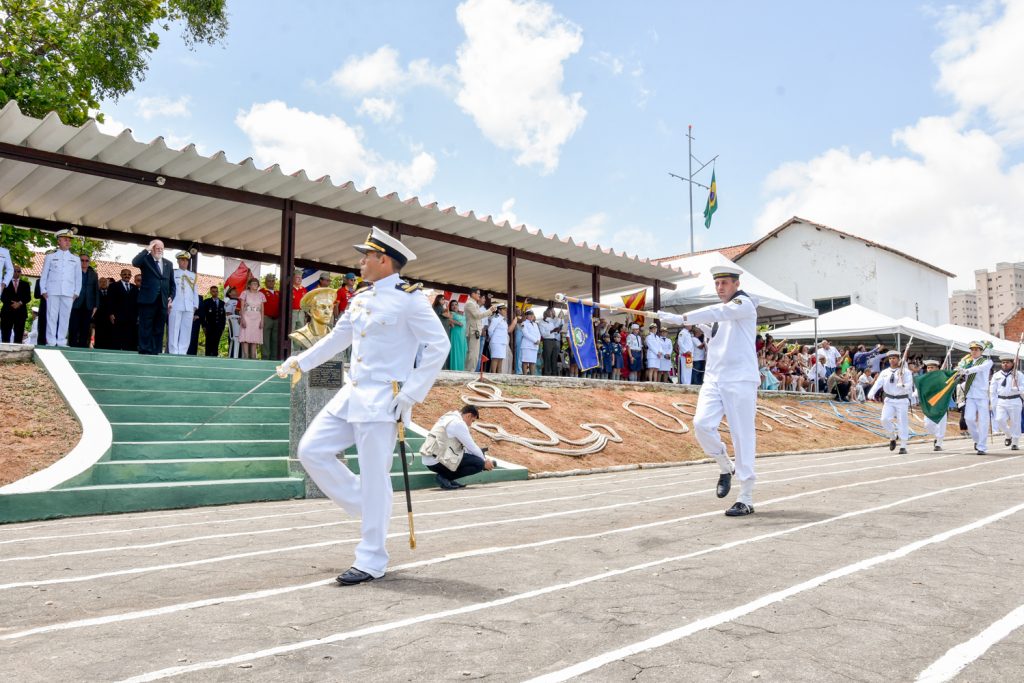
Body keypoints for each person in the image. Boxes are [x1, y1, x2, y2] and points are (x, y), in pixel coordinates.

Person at [276, 226, 449, 586]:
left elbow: (438, 346)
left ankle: (371, 558)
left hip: (385, 399)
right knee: (312, 450)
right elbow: (337, 340)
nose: (360, 262)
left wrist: (411, 394)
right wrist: (299, 362)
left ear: (383, 260)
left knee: (374, 475)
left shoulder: (410, 300)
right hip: (351, 394)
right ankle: (370, 504)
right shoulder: (360, 299)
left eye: (366, 256)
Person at [656, 265, 759, 517]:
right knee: (701, 424)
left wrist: (682, 318)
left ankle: (745, 497)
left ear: (736, 284)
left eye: (725, 282)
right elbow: (713, 327)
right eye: (717, 283)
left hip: (740, 379)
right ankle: (725, 466)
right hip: (715, 379)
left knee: (742, 435)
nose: (720, 287)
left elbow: (719, 313)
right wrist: (691, 325)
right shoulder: (719, 316)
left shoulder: (744, 304)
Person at [421, 405, 495, 489]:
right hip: (437, 460)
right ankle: (445, 477)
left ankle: (446, 478)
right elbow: (471, 447)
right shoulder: (459, 423)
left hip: (429, 459)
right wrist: (484, 461)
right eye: (472, 420)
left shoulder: (448, 417)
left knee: (472, 458)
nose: (470, 424)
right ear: (468, 415)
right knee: (479, 463)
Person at [39, 230, 82, 347]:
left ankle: (62, 341)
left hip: (68, 292)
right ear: (59, 241)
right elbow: (44, 275)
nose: (68, 242)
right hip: (52, 290)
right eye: (65, 239)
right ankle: (51, 341)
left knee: (65, 317)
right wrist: (43, 290)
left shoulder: (75, 259)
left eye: (69, 240)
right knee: (52, 316)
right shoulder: (50, 256)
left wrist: (76, 292)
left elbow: (78, 278)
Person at [132, 239, 174, 355]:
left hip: (162, 301)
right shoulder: (146, 260)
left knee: (159, 328)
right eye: (157, 248)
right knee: (145, 327)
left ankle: (156, 351)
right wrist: (147, 249)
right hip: (147, 299)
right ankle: (145, 350)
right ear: (152, 248)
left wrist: (171, 297)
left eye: (162, 248)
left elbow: (171, 283)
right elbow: (135, 262)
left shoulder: (168, 263)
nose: (160, 250)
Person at [867, 350, 914, 454]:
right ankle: (892, 436)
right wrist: (871, 393)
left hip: (902, 399)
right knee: (884, 419)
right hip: (889, 399)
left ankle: (903, 445)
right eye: (890, 358)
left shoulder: (906, 372)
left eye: (894, 358)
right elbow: (878, 384)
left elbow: (909, 385)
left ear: (898, 359)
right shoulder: (885, 372)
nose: (892, 360)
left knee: (902, 422)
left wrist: (902, 385)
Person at [957, 341, 994, 455]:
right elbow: (959, 368)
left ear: (981, 351)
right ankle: (978, 440)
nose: (973, 351)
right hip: (970, 395)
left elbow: (979, 368)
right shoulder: (967, 362)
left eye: (976, 349)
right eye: (972, 349)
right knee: (968, 419)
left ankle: (982, 447)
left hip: (982, 395)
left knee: (983, 421)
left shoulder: (987, 361)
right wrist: (958, 370)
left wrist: (966, 370)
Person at [167, 252, 199, 355]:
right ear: (178, 261)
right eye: (182, 260)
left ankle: (182, 352)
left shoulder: (193, 275)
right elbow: (169, 290)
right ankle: (173, 351)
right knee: (173, 329)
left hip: (189, 306)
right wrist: (169, 303)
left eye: (186, 260)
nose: (184, 262)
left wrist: (195, 306)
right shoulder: (173, 273)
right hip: (175, 305)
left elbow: (195, 292)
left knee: (186, 330)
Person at [990, 354, 1024, 451]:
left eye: (1007, 362)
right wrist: (993, 404)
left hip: (1015, 400)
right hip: (1001, 400)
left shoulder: (1018, 374)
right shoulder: (996, 375)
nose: (1005, 364)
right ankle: (1008, 435)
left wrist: (1016, 389)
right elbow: (993, 391)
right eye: (1003, 362)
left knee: (1015, 422)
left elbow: (1023, 387)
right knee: (999, 419)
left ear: (1012, 364)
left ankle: (1015, 443)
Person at [67, 253, 99, 348]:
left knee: (85, 328)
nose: (84, 262)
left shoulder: (94, 274)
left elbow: (96, 290)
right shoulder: (72, 272)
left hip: (88, 305)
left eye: (86, 260)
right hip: (75, 303)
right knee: (73, 327)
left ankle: (82, 348)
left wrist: (96, 305)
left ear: (89, 262)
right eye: (82, 260)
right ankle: (72, 346)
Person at [920, 359, 949, 451]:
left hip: (941, 404)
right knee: (927, 425)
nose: (930, 369)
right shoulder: (924, 379)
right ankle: (937, 436)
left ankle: (938, 444)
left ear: (937, 368)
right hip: (929, 405)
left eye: (932, 367)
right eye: (928, 368)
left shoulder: (943, 378)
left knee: (941, 424)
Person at [108, 268, 139, 351]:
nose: (127, 276)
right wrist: (111, 314)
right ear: (121, 275)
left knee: (129, 338)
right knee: (117, 338)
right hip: (118, 317)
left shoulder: (134, 287)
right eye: (125, 274)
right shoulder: (113, 286)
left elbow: (137, 303)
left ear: (131, 276)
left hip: (131, 318)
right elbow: (110, 301)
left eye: (129, 274)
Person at [1, 265, 31, 343]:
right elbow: (2, 296)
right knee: (5, 335)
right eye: (14, 271)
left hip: (21, 313)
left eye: (19, 271)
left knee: (18, 336)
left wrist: (19, 303)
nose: (16, 273)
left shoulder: (25, 284)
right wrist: (13, 304)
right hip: (7, 312)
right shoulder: (4, 283)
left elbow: (28, 297)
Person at [238, 277, 265, 359]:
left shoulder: (261, 295)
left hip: (257, 317)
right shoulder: (244, 293)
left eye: (256, 284)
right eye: (253, 283)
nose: (255, 285)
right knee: (245, 337)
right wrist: (242, 319)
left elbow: (262, 310)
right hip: (247, 316)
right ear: (249, 285)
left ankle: (253, 356)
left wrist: (262, 321)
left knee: (255, 338)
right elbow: (242, 307)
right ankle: (245, 356)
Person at [463, 288, 489, 373]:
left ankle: (470, 370)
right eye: (478, 293)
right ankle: (470, 371)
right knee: (473, 353)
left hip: (476, 330)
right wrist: (489, 311)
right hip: (473, 331)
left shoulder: (474, 304)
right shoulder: (470, 303)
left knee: (474, 353)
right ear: (473, 294)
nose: (479, 295)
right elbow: (477, 316)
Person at [198, 285, 226, 356]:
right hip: (209, 326)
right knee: (209, 343)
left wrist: (222, 327)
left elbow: (223, 317)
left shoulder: (222, 303)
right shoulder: (206, 302)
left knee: (216, 343)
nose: (215, 293)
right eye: (213, 291)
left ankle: (215, 359)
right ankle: (207, 358)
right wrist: (204, 326)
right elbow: (203, 315)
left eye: (216, 291)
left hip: (218, 327)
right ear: (210, 292)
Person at [486, 304, 513, 373]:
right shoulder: (496, 319)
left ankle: (499, 376)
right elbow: (490, 330)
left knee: (500, 359)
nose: (506, 311)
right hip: (496, 342)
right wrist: (494, 339)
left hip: (502, 342)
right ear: (499, 310)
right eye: (504, 309)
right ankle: (493, 375)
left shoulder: (504, 320)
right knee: (495, 359)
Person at [260, 273, 280, 361]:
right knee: (265, 340)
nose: (271, 283)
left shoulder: (278, 293)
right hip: (266, 318)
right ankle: (265, 359)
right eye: (269, 281)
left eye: (273, 281)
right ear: (265, 282)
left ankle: (274, 359)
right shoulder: (262, 292)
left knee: (275, 340)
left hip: (276, 319)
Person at [539, 307, 564, 376]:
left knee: (554, 358)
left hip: (553, 341)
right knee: (547, 358)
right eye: (550, 312)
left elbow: (555, 332)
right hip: (547, 341)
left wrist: (557, 330)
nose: (551, 313)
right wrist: (552, 330)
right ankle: (547, 373)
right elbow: (543, 334)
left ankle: (554, 374)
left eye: (551, 312)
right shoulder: (541, 322)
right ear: (545, 313)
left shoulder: (551, 321)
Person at [94, 276, 116, 349]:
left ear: (108, 283)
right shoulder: (95, 293)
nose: (103, 283)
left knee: (109, 334)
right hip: (98, 318)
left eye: (105, 282)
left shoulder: (112, 293)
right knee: (99, 334)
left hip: (109, 318)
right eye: (101, 282)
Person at [448, 298, 468, 371]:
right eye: (452, 305)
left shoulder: (461, 313)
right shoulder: (451, 313)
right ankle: (455, 369)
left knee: (463, 351)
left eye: (456, 304)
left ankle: (462, 369)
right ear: (450, 307)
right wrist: (457, 323)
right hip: (456, 335)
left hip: (463, 336)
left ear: (458, 305)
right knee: (457, 352)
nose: (454, 306)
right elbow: (449, 320)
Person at [519, 309, 540, 376]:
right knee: (525, 361)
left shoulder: (535, 324)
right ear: (526, 316)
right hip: (527, 345)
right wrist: (535, 340)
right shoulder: (523, 323)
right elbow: (526, 334)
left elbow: (538, 333)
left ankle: (532, 376)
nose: (531, 316)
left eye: (532, 315)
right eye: (530, 315)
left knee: (533, 362)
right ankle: (525, 376)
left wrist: (538, 340)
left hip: (534, 346)